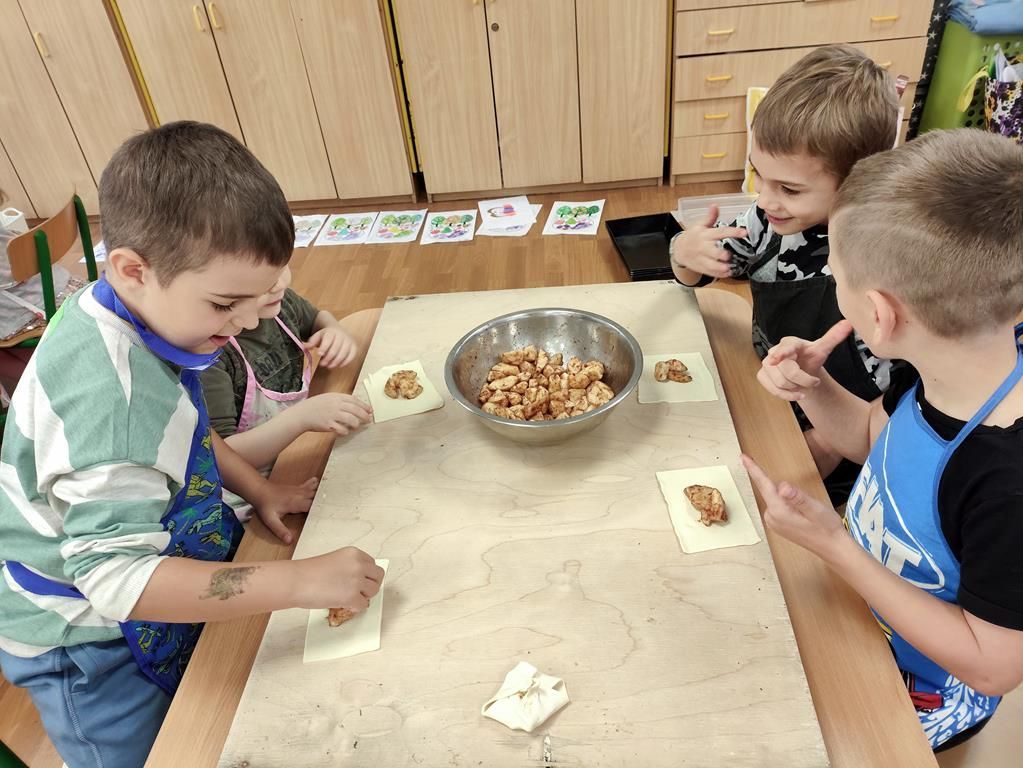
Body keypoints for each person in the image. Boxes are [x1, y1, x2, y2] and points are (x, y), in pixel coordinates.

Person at [0, 121, 384, 768]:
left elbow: (187, 430)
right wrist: (297, 581)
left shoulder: (131, 307)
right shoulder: (112, 409)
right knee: (169, 751)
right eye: (226, 303)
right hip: (86, 645)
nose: (250, 321)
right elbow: (118, 581)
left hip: (145, 562)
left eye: (261, 298)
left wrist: (260, 488)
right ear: (133, 270)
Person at [745, 129, 1023, 751]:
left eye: (836, 277)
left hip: (922, 692)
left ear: (879, 314)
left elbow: (994, 666)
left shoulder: (1007, 486)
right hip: (856, 603)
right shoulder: (947, 364)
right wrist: (813, 388)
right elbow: (877, 437)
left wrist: (836, 546)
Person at [669, 44, 901, 500]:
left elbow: (898, 399)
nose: (765, 199)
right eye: (758, 175)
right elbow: (707, 270)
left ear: (857, 182)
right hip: (767, 389)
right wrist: (685, 254)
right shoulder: (767, 220)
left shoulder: (884, 265)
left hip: (840, 442)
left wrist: (828, 444)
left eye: (789, 189)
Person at [201, 264, 373, 519]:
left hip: (296, 452)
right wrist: (301, 418)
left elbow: (317, 318)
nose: (280, 283)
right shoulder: (211, 357)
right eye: (264, 279)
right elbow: (225, 458)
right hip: (251, 492)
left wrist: (333, 330)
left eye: (282, 267)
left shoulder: (280, 304)